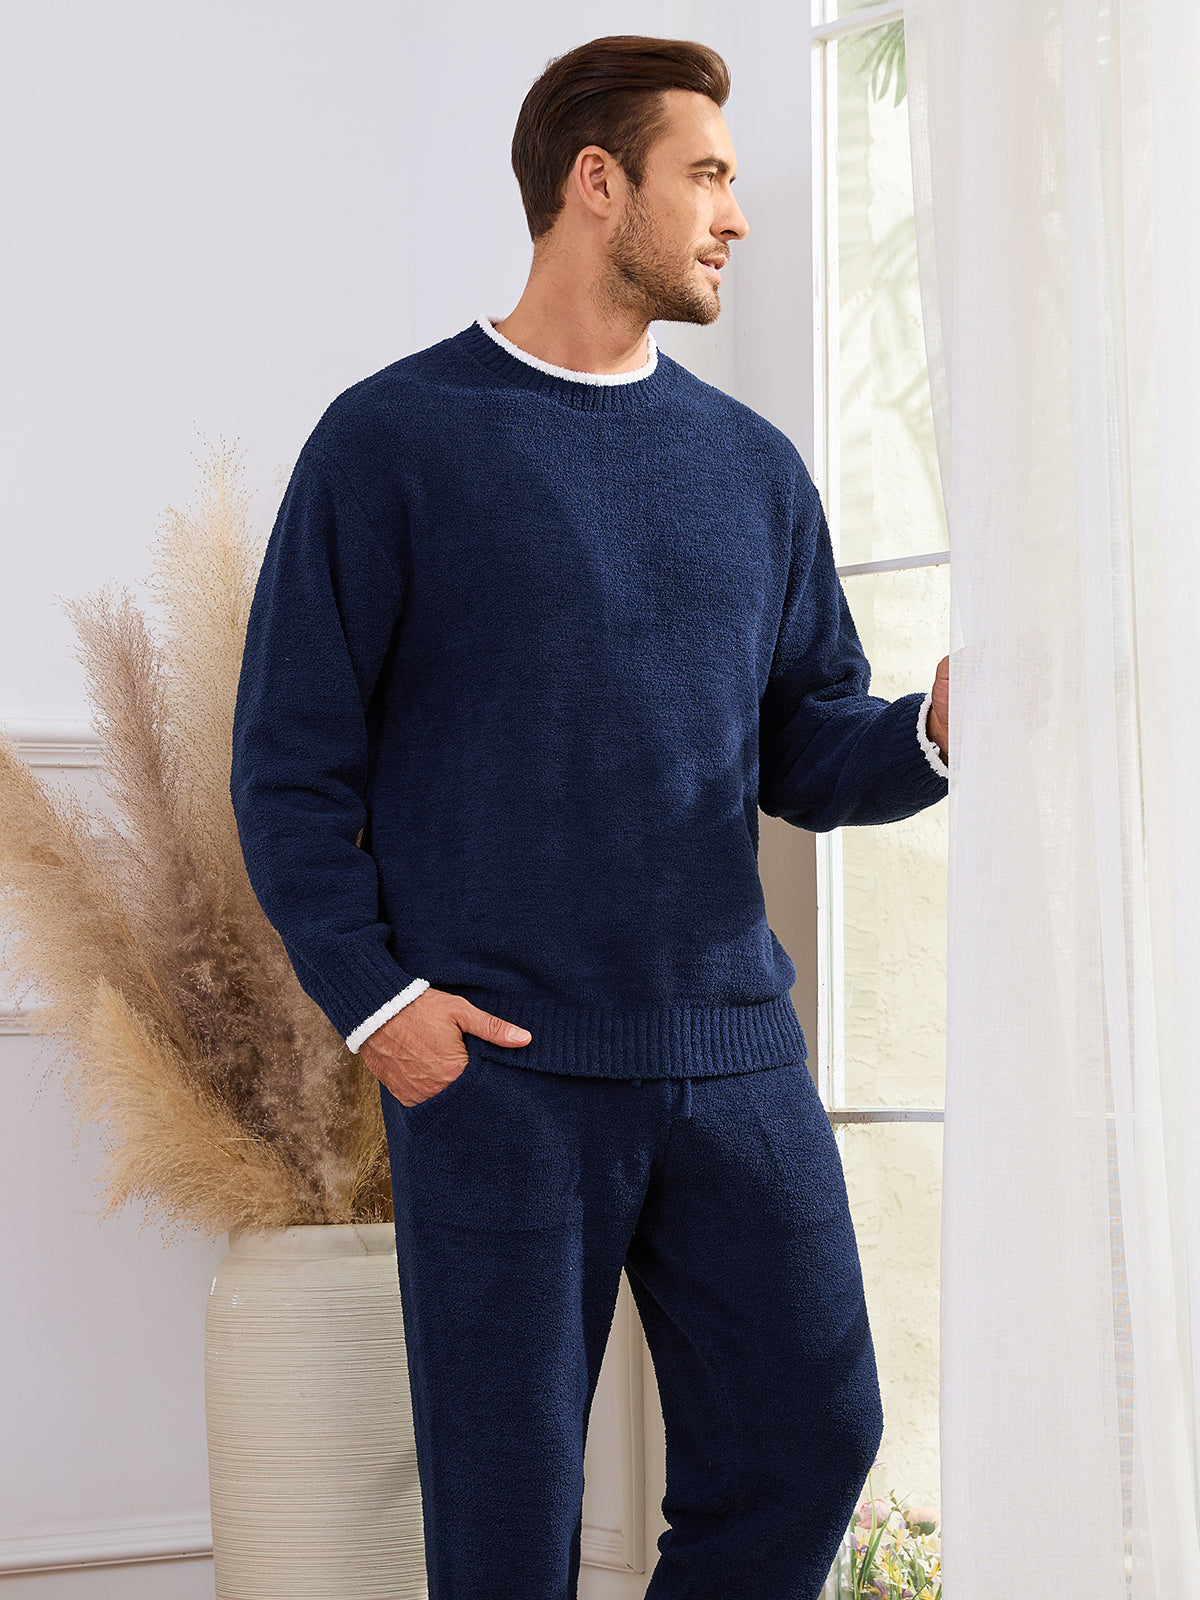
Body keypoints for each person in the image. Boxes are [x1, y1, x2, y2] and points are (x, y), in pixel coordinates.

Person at [230, 32, 950, 1600]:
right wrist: (381, 1008)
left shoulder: (754, 472)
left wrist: (931, 735)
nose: (735, 217)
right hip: (499, 1079)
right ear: (595, 181)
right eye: (708, 173)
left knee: (817, 1434)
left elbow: (808, 750)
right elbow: (286, 771)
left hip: (733, 1057)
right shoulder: (391, 444)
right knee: (505, 1539)